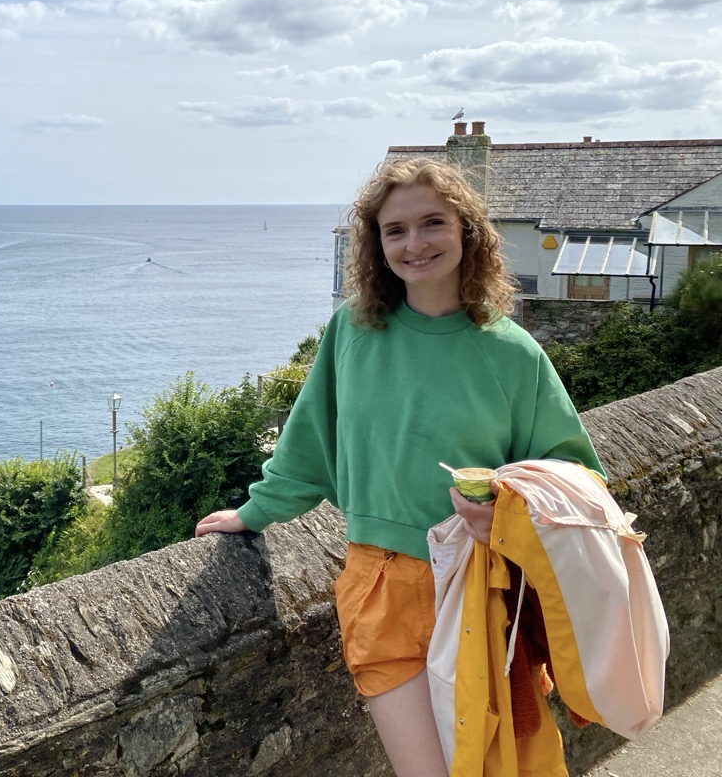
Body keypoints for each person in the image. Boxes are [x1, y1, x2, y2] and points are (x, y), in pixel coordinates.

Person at [195, 157, 605, 777]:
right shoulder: (352, 333)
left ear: (467, 231)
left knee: (500, 769)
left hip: (479, 584)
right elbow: (308, 443)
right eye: (395, 230)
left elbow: (576, 479)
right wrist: (254, 512)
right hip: (380, 583)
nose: (414, 243)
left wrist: (504, 510)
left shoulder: (513, 353)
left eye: (432, 223)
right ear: (376, 244)